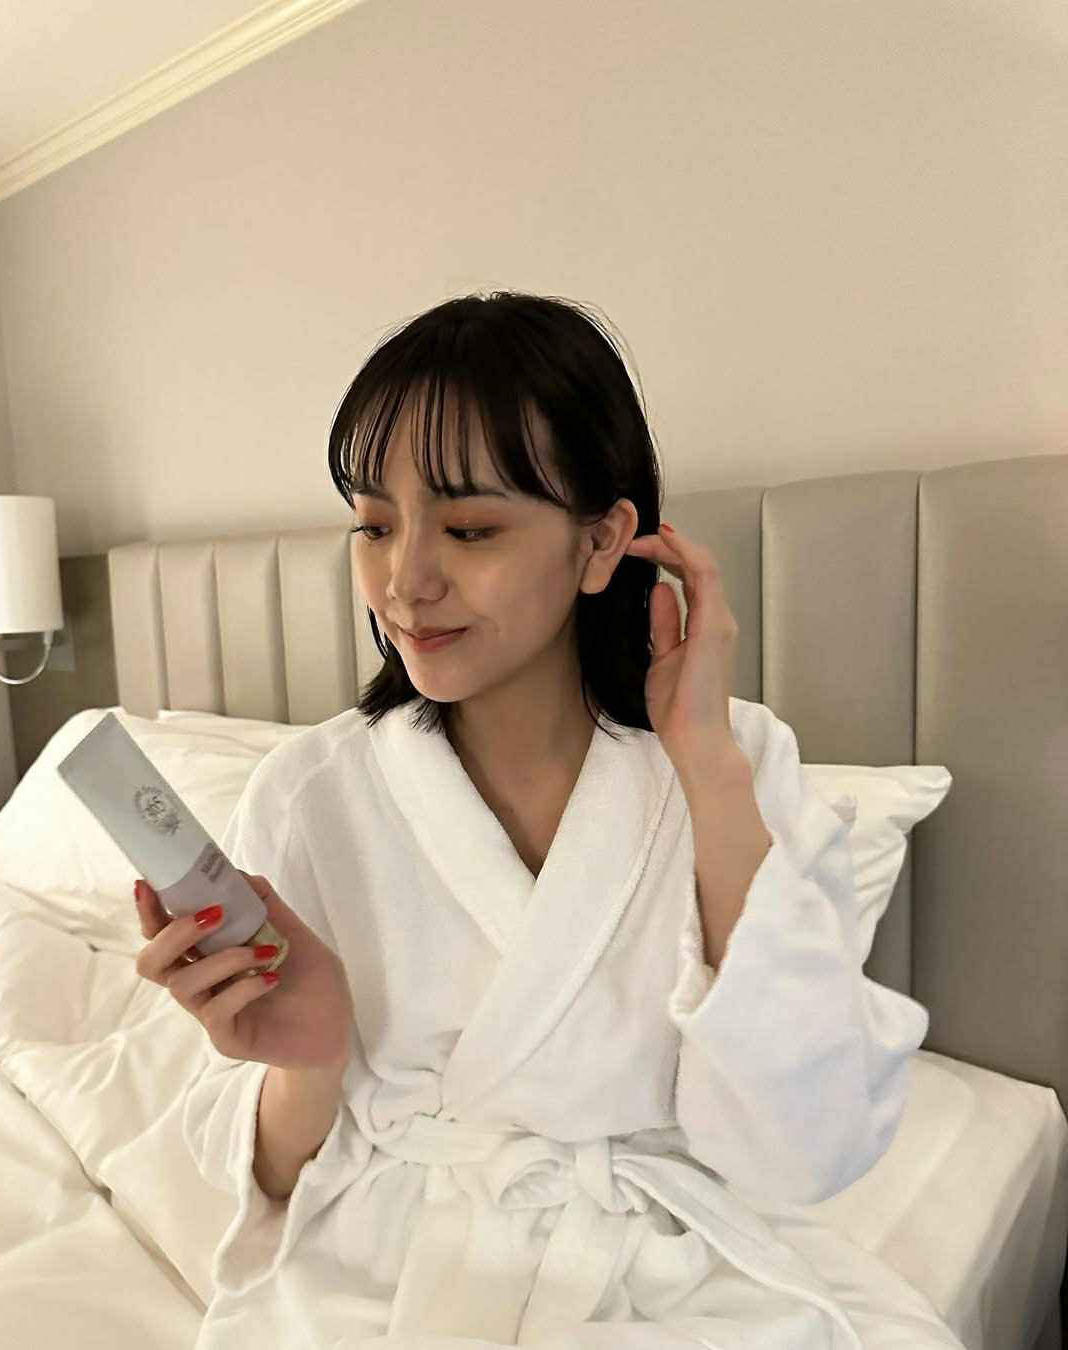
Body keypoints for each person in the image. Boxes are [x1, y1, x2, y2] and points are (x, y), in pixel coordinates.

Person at [136, 292, 966, 1349]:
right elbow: (247, 1167)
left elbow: (810, 1144)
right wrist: (312, 1060)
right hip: (377, 1268)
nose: (405, 582)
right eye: (374, 527)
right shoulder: (308, 793)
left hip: (660, 1275)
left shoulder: (735, 762)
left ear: (601, 541)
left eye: (469, 528)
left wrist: (707, 769)